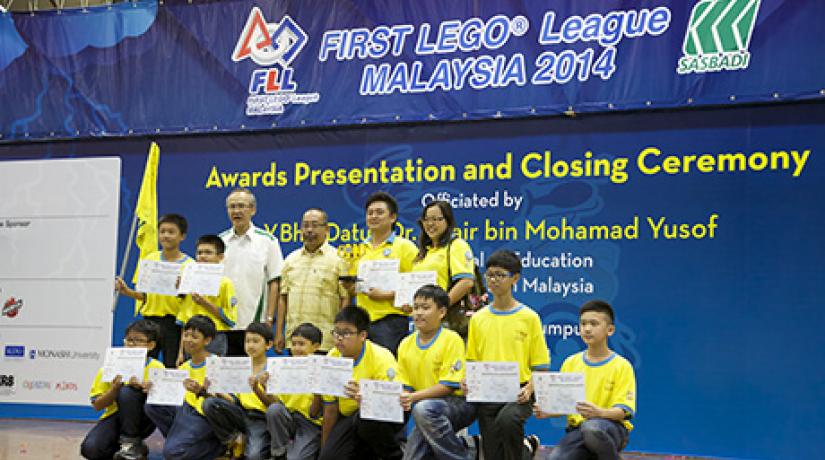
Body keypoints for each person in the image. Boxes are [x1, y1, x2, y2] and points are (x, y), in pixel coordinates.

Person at [464, 250, 550, 460]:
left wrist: (529, 389)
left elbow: (541, 365)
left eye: (500, 275)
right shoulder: (478, 319)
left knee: (508, 420)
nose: (493, 280)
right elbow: (473, 360)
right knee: (493, 453)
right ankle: (525, 450)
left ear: (515, 279)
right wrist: (468, 380)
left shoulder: (529, 317)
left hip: (520, 392)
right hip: (488, 392)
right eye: (490, 275)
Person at [535, 300, 637, 460]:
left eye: (594, 324)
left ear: (610, 330)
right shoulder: (570, 362)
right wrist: (549, 411)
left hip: (611, 428)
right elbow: (564, 404)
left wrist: (599, 412)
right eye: (583, 324)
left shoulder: (621, 366)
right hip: (577, 431)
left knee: (592, 428)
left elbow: (624, 412)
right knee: (555, 458)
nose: (587, 329)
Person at [398, 284, 477, 460]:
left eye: (425, 308)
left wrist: (413, 397)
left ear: (441, 312)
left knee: (424, 409)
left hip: (458, 403)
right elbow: (405, 385)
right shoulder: (405, 344)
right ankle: (468, 446)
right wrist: (404, 395)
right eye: (416, 307)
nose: (418, 313)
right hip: (423, 407)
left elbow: (448, 387)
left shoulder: (452, 339)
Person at [318, 306, 404, 460]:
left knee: (365, 419)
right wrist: (325, 449)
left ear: (363, 335)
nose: (339, 338)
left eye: (346, 333)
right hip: (349, 418)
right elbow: (330, 408)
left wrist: (366, 397)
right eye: (336, 332)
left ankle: (394, 455)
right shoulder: (332, 357)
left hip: (381, 417)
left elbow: (393, 402)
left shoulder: (381, 357)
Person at [80, 320, 165, 460]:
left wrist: (149, 390)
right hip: (116, 417)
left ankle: (131, 442)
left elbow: (164, 405)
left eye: (138, 340)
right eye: (129, 340)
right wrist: (114, 389)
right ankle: (131, 448)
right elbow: (97, 405)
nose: (131, 344)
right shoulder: (109, 368)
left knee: (128, 392)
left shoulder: (157, 368)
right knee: (90, 449)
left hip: (143, 418)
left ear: (151, 345)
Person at [346, 191, 417, 355]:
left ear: (392, 217)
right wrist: (350, 288)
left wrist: (387, 295)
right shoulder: (359, 250)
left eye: (379, 212)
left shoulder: (405, 248)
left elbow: (416, 287)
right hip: (361, 323)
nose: (373, 217)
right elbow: (354, 289)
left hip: (391, 322)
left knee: (387, 374)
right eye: (370, 213)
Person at [116, 213, 192, 367]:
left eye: (171, 232)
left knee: (173, 367)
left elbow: (192, 302)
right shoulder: (150, 260)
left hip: (175, 325)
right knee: (143, 367)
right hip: (149, 323)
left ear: (182, 236)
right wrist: (126, 291)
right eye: (162, 231)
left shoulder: (190, 265)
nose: (166, 236)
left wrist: (183, 288)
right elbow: (144, 296)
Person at [145, 315, 224, 460]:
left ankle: (216, 447)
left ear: (207, 340)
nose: (188, 340)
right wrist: (155, 389)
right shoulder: (184, 366)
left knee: (172, 453)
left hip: (203, 415)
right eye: (186, 335)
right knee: (152, 405)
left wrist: (202, 391)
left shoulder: (216, 364)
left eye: (194, 337)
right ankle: (180, 441)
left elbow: (225, 402)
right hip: (185, 410)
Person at [220, 187, 284, 356]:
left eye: (242, 206)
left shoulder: (268, 241)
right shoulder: (220, 242)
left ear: (253, 210)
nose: (237, 211)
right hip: (223, 322)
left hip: (254, 323)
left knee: (251, 376)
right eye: (232, 207)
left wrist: (269, 319)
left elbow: (274, 282)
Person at [276, 208, 349, 353]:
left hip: (325, 341)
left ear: (327, 229)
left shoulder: (339, 259)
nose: (309, 230)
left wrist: (340, 334)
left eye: (315, 225)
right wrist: (279, 332)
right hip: (295, 341)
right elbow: (283, 298)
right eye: (305, 225)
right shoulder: (290, 260)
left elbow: (345, 299)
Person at [202, 322, 274, 460]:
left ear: (268, 345)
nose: (251, 345)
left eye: (256, 341)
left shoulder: (272, 368)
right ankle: (233, 439)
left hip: (261, 418)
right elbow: (234, 400)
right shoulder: (240, 365)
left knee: (254, 456)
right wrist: (216, 390)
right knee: (210, 403)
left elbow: (274, 405)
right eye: (247, 341)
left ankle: (262, 444)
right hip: (241, 413)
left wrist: (259, 388)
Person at [258, 323, 325, 460]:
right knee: (274, 409)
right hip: (288, 418)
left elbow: (315, 413)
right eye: (293, 344)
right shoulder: (285, 366)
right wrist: (265, 387)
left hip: (310, 423)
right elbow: (276, 403)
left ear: (316, 346)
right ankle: (279, 453)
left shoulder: (322, 368)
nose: (296, 348)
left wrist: (318, 389)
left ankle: (297, 449)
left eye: (302, 344)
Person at [411, 200, 479, 336]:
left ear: (448, 221)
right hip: (423, 322)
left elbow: (466, 282)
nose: (430, 224)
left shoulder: (456, 245)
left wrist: (439, 308)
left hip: (448, 320)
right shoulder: (424, 252)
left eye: (436, 219)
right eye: (427, 219)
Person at [175, 234, 238, 361]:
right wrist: (180, 352)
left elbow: (230, 320)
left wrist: (205, 303)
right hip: (190, 338)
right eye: (199, 252)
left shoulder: (225, 283)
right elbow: (184, 320)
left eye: (208, 252)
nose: (203, 256)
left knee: (213, 379)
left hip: (215, 338)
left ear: (220, 257)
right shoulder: (188, 280)